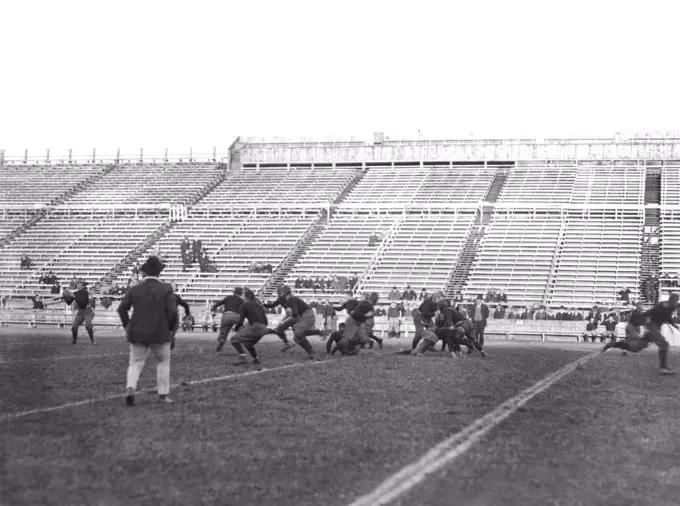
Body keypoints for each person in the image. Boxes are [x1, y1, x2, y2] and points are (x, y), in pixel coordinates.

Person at [117, 256, 178, 405]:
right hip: (160, 332)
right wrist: (171, 331)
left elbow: (122, 309)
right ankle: (163, 395)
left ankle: (131, 388)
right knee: (163, 362)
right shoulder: (166, 289)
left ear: (145, 272)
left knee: (135, 363)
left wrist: (128, 326)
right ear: (159, 272)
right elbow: (172, 312)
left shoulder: (135, 289)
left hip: (137, 331)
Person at [601, 293, 679, 375]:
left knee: (636, 348)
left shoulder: (671, 307)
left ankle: (614, 344)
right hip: (652, 327)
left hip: (655, 328)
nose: (676, 303)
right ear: (671, 300)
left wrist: (673, 325)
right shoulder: (659, 307)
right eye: (676, 300)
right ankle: (663, 368)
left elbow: (668, 317)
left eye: (677, 301)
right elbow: (647, 313)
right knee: (664, 345)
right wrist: (641, 319)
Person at [230, 290, 272, 367]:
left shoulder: (244, 305)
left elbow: (240, 320)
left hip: (255, 327)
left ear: (246, 298)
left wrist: (236, 328)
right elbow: (265, 320)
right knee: (248, 343)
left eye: (244, 297)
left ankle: (243, 359)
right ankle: (255, 359)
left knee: (234, 339)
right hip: (263, 328)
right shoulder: (259, 306)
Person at [212, 287, 244, 352]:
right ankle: (238, 339)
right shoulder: (241, 300)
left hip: (226, 316)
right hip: (235, 316)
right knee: (242, 330)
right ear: (240, 293)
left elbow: (218, 303)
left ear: (234, 292)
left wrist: (213, 308)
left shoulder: (228, 297)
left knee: (224, 330)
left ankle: (222, 339)